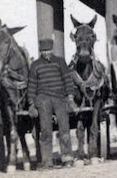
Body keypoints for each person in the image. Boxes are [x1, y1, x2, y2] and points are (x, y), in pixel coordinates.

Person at [27, 38, 75, 168]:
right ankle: (47, 160)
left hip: (59, 97)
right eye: (44, 51)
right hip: (42, 99)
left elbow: (67, 80)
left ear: (52, 50)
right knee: (45, 130)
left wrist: (70, 98)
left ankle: (67, 157)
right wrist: (31, 103)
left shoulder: (60, 62)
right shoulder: (35, 65)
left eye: (48, 50)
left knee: (64, 128)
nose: (46, 53)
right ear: (40, 51)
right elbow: (32, 85)